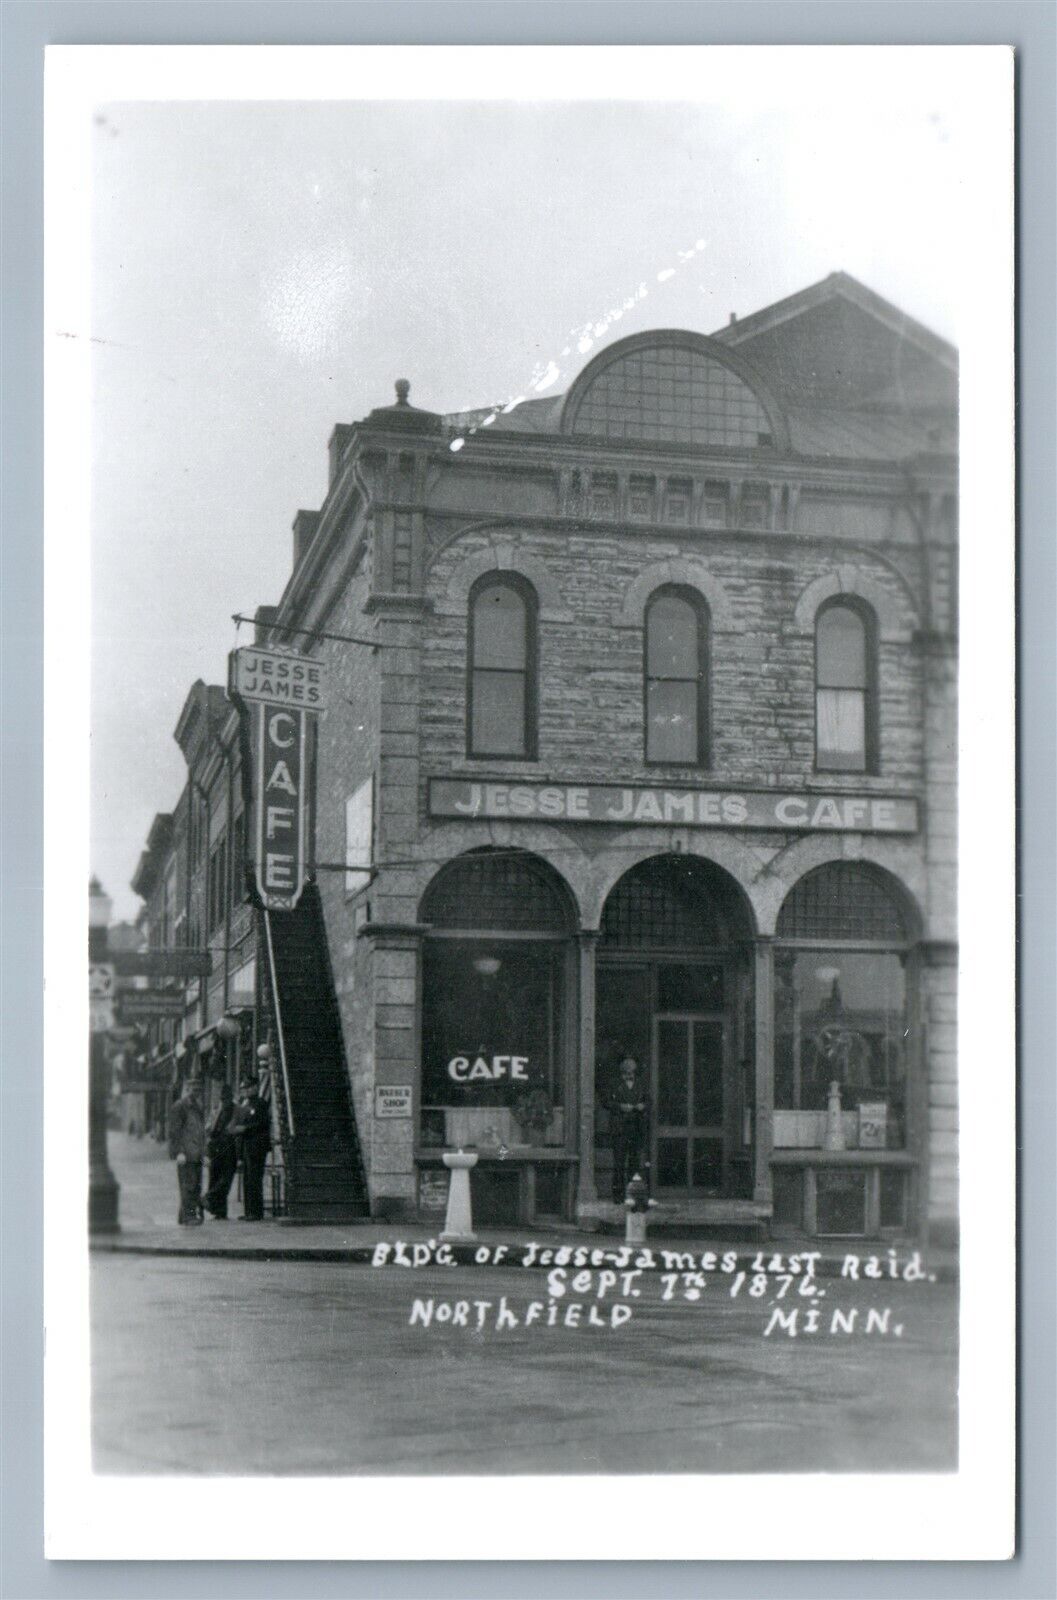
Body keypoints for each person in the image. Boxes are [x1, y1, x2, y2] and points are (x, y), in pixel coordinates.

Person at [607, 1054, 649, 1205]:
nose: (629, 1074)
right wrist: (620, 1106)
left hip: (636, 1128)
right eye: (626, 1071)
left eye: (631, 1071)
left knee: (634, 1164)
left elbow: (649, 1101)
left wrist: (643, 1106)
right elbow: (606, 1102)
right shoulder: (614, 1084)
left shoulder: (641, 1084)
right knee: (619, 1163)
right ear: (622, 1071)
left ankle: (632, 1195)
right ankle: (618, 1196)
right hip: (620, 1129)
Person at [167, 1077, 205, 1225]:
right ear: (187, 1089)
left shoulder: (197, 1106)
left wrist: (203, 1152)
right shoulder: (180, 1106)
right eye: (193, 1089)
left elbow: (199, 1131)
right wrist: (179, 1152)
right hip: (187, 1152)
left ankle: (184, 1215)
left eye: (199, 1089)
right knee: (188, 1185)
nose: (196, 1092)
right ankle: (189, 1216)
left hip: (196, 1152)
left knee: (194, 1185)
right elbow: (175, 1131)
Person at [233, 1076, 272, 1221]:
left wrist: (245, 1128)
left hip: (257, 1145)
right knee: (247, 1178)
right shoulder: (245, 1104)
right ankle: (249, 1210)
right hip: (247, 1145)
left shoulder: (261, 1104)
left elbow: (262, 1124)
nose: (246, 1090)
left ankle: (256, 1212)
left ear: (255, 1087)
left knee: (254, 1178)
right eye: (244, 1088)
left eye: (248, 1087)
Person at [203, 1082, 238, 1219]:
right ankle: (219, 1211)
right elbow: (210, 1128)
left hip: (227, 1147)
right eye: (223, 1098)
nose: (224, 1101)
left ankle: (209, 1199)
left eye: (226, 1098)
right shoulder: (218, 1109)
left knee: (224, 1179)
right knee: (216, 1177)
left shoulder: (234, 1109)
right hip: (217, 1147)